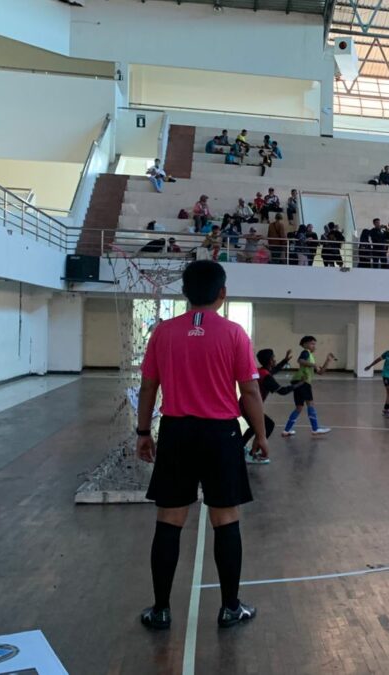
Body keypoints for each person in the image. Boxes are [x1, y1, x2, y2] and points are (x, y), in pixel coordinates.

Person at [136, 260, 263, 631]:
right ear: (222, 293)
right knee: (225, 518)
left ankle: (161, 610)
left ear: (184, 293)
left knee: (169, 519)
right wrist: (261, 435)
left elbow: (148, 387)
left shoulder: (163, 333)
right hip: (221, 435)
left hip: (176, 432)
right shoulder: (234, 333)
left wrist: (143, 432)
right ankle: (230, 608)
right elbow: (250, 391)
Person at [241, 349, 296, 464]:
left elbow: (274, 370)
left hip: (245, 405)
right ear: (270, 360)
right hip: (249, 407)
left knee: (254, 428)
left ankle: (239, 448)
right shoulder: (266, 377)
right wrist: (299, 385)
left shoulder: (261, 371)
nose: (275, 360)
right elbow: (282, 391)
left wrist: (285, 360)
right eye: (273, 358)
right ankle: (252, 454)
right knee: (267, 425)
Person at [281, 336, 335, 437]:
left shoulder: (310, 357)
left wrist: (327, 361)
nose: (314, 346)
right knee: (310, 403)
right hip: (303, 381)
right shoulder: (305, 352)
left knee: (299, 407)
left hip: (298, 381)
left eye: (314, 344)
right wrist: (313, 365)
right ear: (305, 344)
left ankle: (286, 430)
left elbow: (321, 372)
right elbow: (300, 361)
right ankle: (315, 428)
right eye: (312, 343)